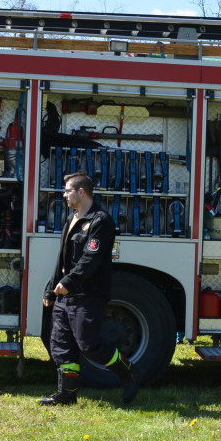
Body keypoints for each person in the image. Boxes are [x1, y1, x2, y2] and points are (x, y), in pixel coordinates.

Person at [39, 172, 140, 405]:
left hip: (88, 295)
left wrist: (68, 282)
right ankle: (67, 395)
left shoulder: (101, 221)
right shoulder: (71, 219)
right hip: (65, 296)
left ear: (81, 192)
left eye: (67, 190)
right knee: (60, 345)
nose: (64, 195)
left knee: (89, 345)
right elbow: (62, 259)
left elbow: (90, 259)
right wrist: (50, 288)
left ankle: (130, 372)